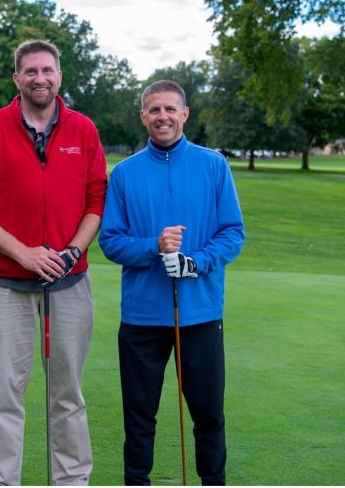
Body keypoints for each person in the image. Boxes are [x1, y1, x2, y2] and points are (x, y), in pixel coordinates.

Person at [0, 39, 107, 486]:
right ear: (17, 79)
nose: (40, 78)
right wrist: (23, 252)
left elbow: (96, 200)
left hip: (70, 285)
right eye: (31, 72)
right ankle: (3, 482)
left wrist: (72, 252)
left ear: (59, 75)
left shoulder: (83, 130)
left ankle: (72, 480)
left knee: (68, 396)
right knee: (5, 395)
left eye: (48, 70)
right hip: (6, 285)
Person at [98, 80, 245, 486]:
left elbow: (233, 233)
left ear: (185, 113)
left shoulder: (214, 165)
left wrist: (194, 262)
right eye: (153, 110)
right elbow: (111, 241)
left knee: (209, 415)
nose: (162, 117)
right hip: (143, 318)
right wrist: (155, 248)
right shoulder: (125, 174)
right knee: (139, 417)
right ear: (143, 116)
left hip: (199, 313)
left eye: (169, 109)